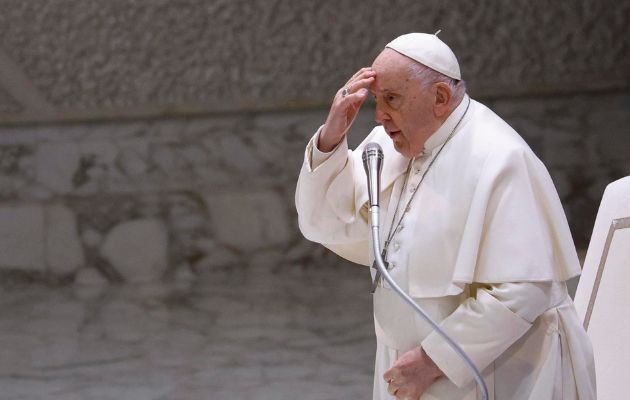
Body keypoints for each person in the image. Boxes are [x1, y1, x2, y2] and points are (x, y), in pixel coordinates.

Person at [295, 33, 596, 399]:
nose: (380, 115)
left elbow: (522, 291)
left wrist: (433, 359)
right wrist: (331, 136)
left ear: (439, 98)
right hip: (408, 365)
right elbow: (323, 223)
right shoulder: (386, 149)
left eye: (392, 99)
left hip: (498, 368)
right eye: (377, 100)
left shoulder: (499, 157)